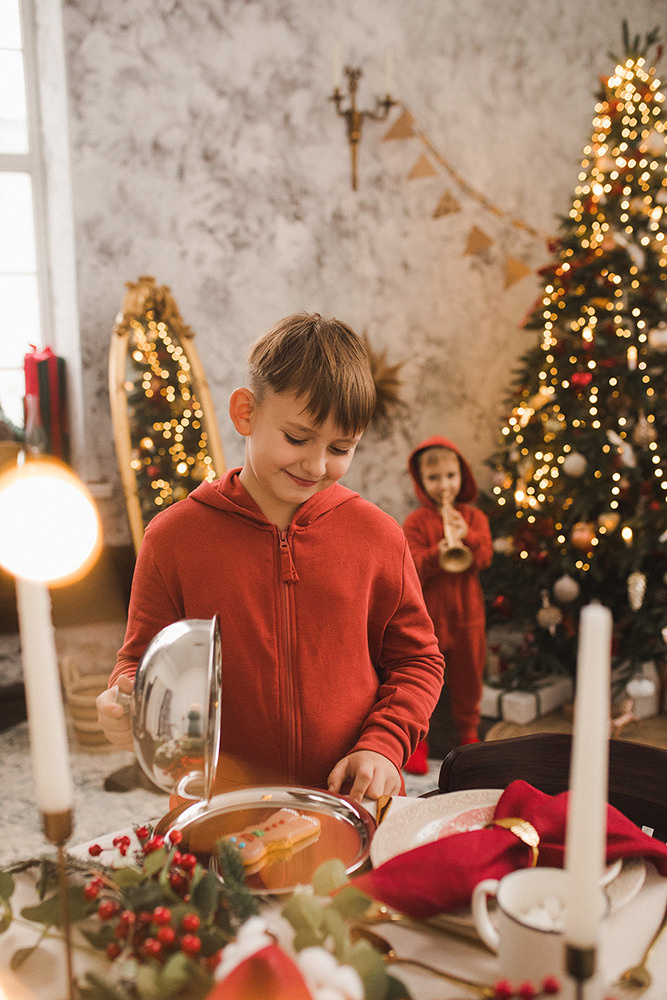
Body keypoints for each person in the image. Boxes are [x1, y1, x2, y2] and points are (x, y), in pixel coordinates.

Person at [98, 313, 444, 801]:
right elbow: (140, 661)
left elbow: (417, 660)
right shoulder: (172, 539)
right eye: (297, 438)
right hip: (217, 810)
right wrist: (125, 702)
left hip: (352, 804)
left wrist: (384, 747)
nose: (317, 465)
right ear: (245, 413)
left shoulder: (378, 536)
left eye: (341, 448)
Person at [402, 436, 492, 774]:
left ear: (463, 476)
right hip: (430, 617)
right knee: (425, 680)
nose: (444, 485)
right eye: (435, 478)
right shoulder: (416, 522)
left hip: (469, 616)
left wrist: (465, 534)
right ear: (421, 482)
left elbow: (483, 557)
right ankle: (418, 744)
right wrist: (437, 553)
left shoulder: (474, 517)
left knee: (470, 677)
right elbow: (410, 565)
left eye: (451, 476)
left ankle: (469, 736)